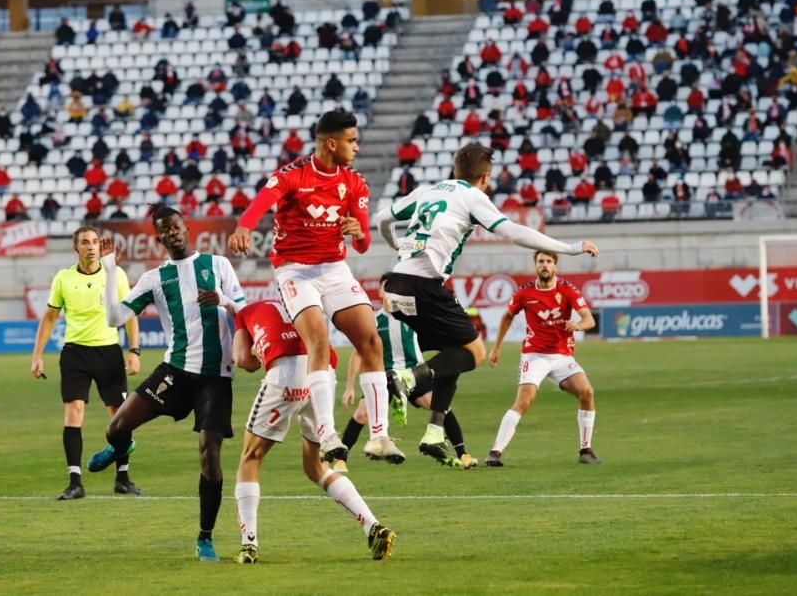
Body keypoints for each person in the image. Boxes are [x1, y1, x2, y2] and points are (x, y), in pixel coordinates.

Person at [372, 144, 599, 464]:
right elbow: (514, 232)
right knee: (474, 352)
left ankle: (435, 433)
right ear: (485, 177)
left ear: (454, 169)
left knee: (454, 352)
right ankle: (408, 378)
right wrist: (571, 248)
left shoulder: (427, 191)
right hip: (425, 286)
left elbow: (382, 218)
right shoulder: (471, 196)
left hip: (395, 285)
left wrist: (396, 245)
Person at [229, 111, 401, 464]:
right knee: (318, 339)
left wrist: (359, 233)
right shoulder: (292, 176)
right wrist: (244, 227)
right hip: (295, 271)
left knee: (371, 341)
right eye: (352, 141)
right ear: (331, 144)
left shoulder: (355, 184)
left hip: (334, 269)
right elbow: (260, 202)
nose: (357, 147)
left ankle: (380, 437)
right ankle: (327, 434)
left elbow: (364, 244)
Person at [94, 206, 246, 562]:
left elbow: (244, 309)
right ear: (158, 238)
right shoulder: (155, 278)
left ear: (186, 229)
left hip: (215, 376)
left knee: (209, 452)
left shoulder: (218, 265)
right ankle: (123, 447)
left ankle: (205, 537)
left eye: (177, 226)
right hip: (175, 370)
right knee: (115, 428)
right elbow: (114, 318)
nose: (173, 232)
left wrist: (222, 300)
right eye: (166, 230)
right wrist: (110, 268)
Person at [230, 299, 396, 564]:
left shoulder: (245, 314)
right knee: (315, 467)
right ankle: (372, 526)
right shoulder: (299, 304)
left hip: (285, 376)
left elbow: (242, 360)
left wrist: (257, 350)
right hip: (321, 376)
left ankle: (249, 545)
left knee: (251, 458)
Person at [30, 226, 143, 501]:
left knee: (119, 417)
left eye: (94, 242)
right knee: (73, 414)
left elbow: (130, 315)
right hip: (75, 354)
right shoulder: (63, 278)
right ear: (76, 248)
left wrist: (134, 350)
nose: (91, 246)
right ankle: (75, 482)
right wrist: (37, 355)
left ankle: (123, 478)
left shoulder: (115, 274)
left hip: (108, 352)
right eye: (85, 242)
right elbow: (49, 318)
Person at [486, 251, 600, 466]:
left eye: (549, 261)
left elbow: (589, 319)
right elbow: (507, 316)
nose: (545, 265)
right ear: (535, 266)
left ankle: (586, 450)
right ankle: (495, 452)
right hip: (535, 355)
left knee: (587, 392)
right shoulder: (525, 293)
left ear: (555, 266)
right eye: (541, 262)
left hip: (562, 357)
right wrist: (496, 348)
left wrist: (578, 325)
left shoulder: (567, 290)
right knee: (524, 401)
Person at [340, 303, 478, 472]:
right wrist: (350, 386)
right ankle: (340, 459)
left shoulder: (414, 318)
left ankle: (463, 454)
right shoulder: (374, 320)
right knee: (362, 414)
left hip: (414, 373)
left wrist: (444, 362)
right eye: (385, 291)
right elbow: (358, 352)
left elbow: (437, 339)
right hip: (385, 376)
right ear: (381, 293)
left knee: (441, 406)